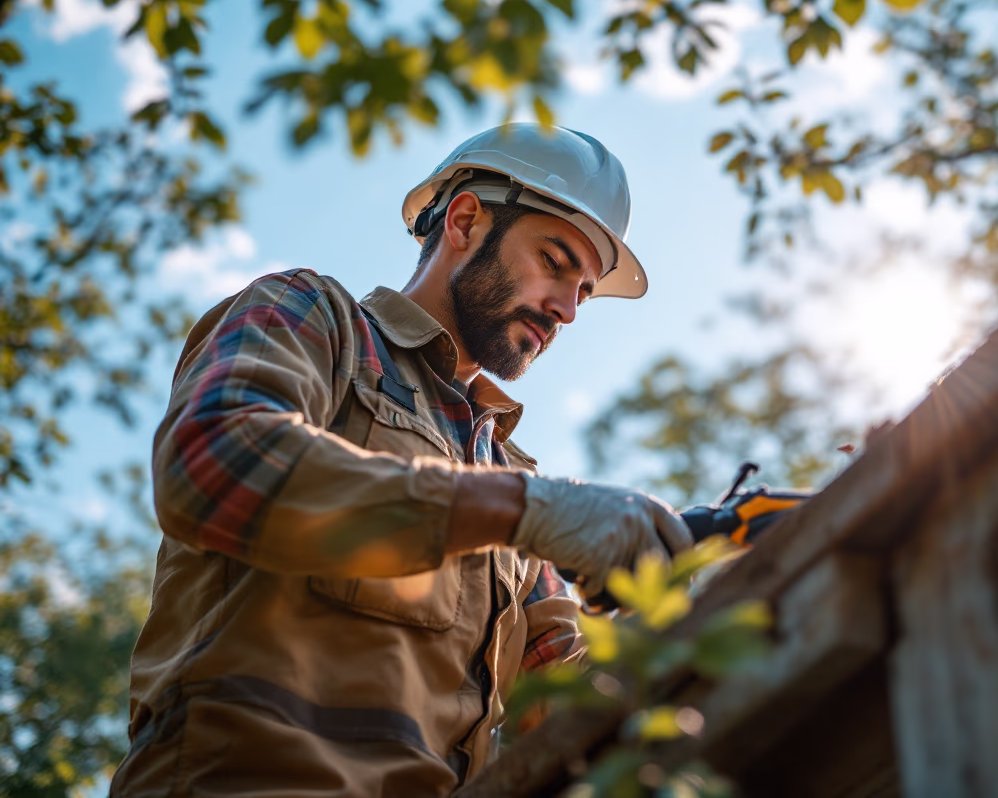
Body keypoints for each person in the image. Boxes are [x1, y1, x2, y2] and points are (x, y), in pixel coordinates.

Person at [110, 124, 694, 797]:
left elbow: (570, 694)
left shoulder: (508, 476)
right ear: (467, 221)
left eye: (584, 291)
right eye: (556, 261)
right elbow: (214, 464)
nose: (565, 309)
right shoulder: (311, 318)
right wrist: (521, 511)